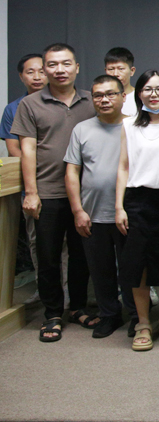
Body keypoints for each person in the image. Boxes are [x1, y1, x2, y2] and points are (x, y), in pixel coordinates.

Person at [11, 43, 96, 342]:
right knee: (48, 257)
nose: (60, 70)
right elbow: (28, 150)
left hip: (85, 194)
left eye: (66, 63)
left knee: (81, 255)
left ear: (77, 67)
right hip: (47, 192)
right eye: (53, 64)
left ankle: (78, 307)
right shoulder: (30, 104)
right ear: (45, 69)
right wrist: (31, 192)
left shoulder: (91, 100)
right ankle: (52, 314)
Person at [116, 69, 159, 351]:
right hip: (136, 201)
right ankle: (143, 322)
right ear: (139, 93)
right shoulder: (128, 125)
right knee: (138, 265)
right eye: (147, 89)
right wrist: (119, 206)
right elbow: (123, 167)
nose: (153, 94)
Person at [64, 75, 136, 338]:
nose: (104, 100)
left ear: (123, 97)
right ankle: (109, 315)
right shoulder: (82, 129)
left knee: (131, 269)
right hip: (93, 213)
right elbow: (72, 172)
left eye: (110, 94)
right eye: (98, 95)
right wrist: (78, 210)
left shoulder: (135, 127)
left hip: (129, 212)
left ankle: (137, 316)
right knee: (100, 269)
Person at [2, 53, 48, 306]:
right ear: (21, 76)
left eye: (42, 70)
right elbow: (14, 151)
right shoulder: (13, 109)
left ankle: (74, 295)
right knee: (35, 241)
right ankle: (43, 289)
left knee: (70, 243)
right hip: (31, 185)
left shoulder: (61, 102)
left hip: (64, 182)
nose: (37, 76)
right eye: (30, 72)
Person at [104, 47, 138, 117]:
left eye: (121, 69)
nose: (115, 74)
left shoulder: (141, 97)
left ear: (132, 71)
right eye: (111, 69)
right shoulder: (100, 99)